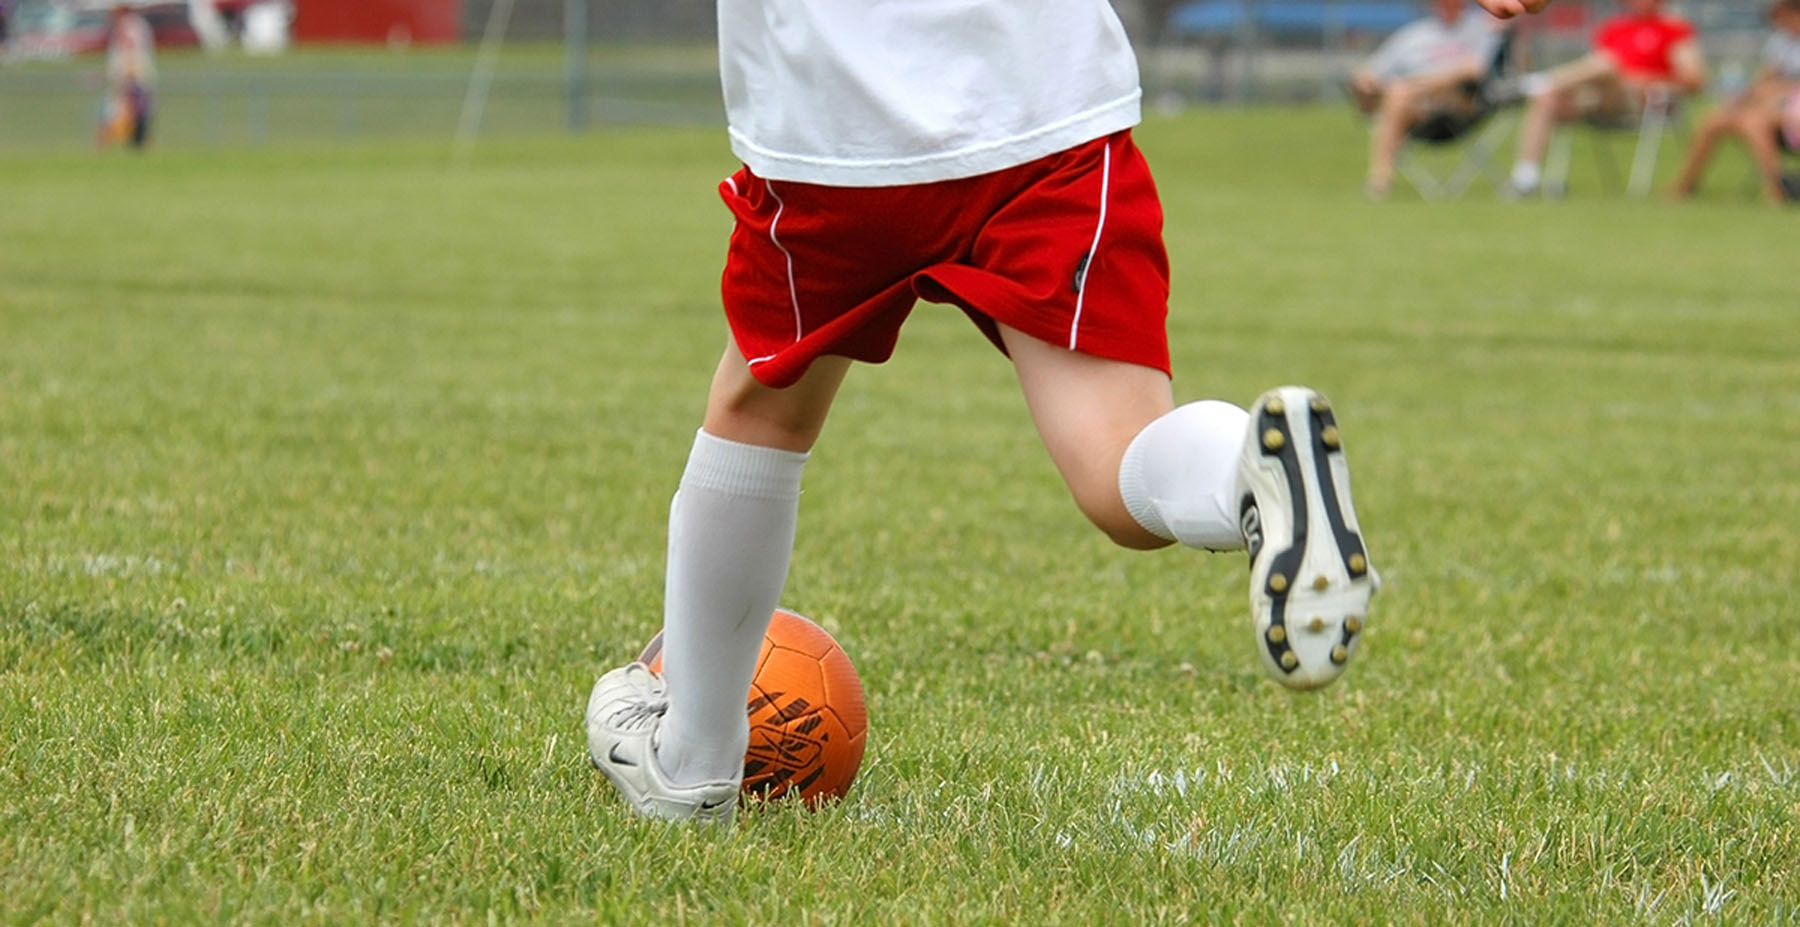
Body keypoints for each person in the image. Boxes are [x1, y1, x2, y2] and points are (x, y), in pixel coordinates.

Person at [582, 0, 1551, 825]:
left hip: (837, 136)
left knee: (763, 414)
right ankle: (1245, 477)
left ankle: (696, 758)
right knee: (1118, 453)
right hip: (1046, 114)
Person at [1507, 0, 1705, 197]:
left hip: (1642, 102)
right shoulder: (1613, 29)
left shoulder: (1674, 30)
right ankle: (1526, 176)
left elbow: (1694, 79)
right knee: (1547, 98)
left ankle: (1540, 82)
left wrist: (1644, 79)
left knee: (1608, 65)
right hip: (1599, 100)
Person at [1350, 0, 1508, 200]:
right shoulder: (1415, 35)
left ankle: (1380, 179)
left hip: (1461, 106)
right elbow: (1368, 73)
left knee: (1407, 91)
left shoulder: (1482, 27)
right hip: (1417, 112)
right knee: (1398, 97)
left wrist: (1417, 85)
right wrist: (1366, 84)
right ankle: (1380, 179)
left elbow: (1475, 71)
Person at [1668, 0, 1800, 204]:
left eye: (1786, 18)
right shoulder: (1781, 42)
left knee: (1754, 121)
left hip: (1791, 111)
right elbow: (1765, 78)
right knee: (1712, 121)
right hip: (1771, 105)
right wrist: (1741, 98)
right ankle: (1684, 186)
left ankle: (1776, 188)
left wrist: (1777, 90)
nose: (1782, 24)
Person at [96, 3, 156, 150]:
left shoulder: (129, 25)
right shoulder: (135, 25)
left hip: (131, 79)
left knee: (124, 117)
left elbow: (129, 50)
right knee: (133, 118)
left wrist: (127, 77)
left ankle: (105, 149)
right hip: (131, 78)